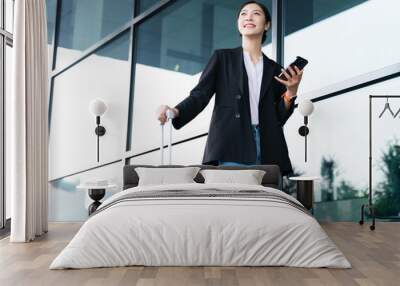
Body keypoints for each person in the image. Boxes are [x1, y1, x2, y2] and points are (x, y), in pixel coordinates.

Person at [156, 0, 304, 176]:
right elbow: (200, 95)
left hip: (269, 148)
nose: (248, 16)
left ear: (267, 25)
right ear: (238, 24)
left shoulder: (275, 69)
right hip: (231, 142)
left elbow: (278, 117)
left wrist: (291, 91)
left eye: (256, 13)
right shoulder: (223, 58)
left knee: (265, 202)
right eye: (243, 14)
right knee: (234, 200)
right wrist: (176, 110)